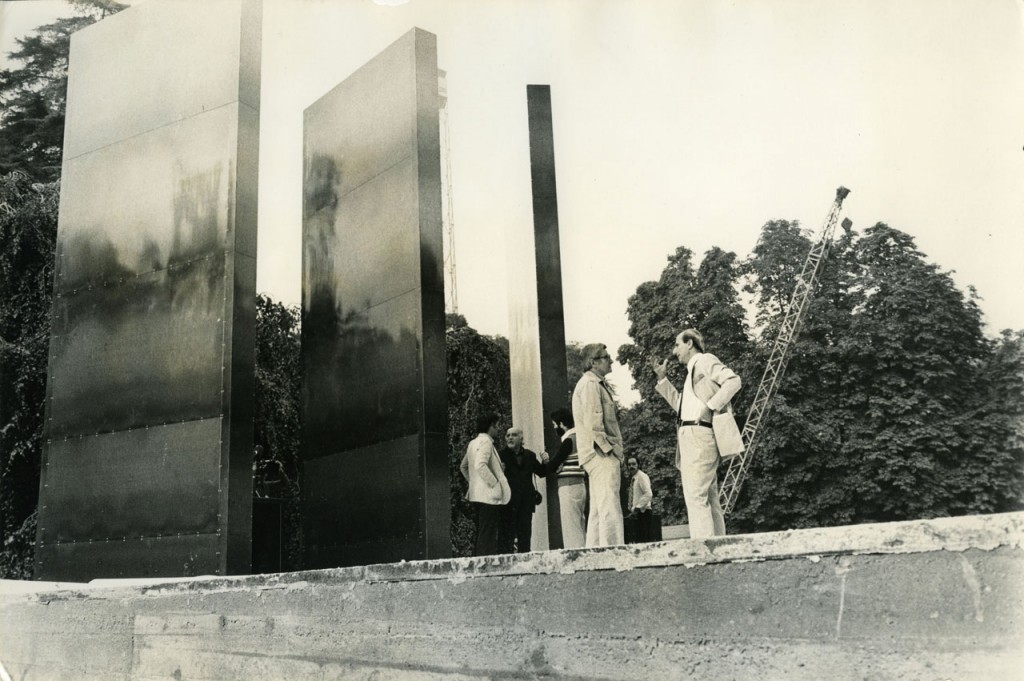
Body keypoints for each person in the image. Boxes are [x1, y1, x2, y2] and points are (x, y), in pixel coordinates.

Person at [651, 328, 741, 538]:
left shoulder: (704, 361)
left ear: (689, 343)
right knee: (709, 498)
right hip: (692, 435)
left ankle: (703, 551)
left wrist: (710, 406)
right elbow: (681, 407)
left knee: (695, 495)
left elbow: (734, 381)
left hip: (699, 435)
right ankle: (717, 548)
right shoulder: (691, 372)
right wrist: (662, 380)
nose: (674, 352)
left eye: (677, 345)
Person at [571, 342, 625, 547]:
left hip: (594, 454)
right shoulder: (591, 384)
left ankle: (595, 552)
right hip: (600, 454)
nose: (610, 360)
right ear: (593, 362)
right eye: (605, 357)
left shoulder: (591, 383)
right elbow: (595, 425)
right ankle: (613, 551)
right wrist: (611, 451)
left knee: (598, 508)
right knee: (609, 505)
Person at [498, 426, 561, 553]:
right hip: (507, 503)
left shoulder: (530, 455)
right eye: (507, 435)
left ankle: (525, 566)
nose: (510, 437)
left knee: (525, 537)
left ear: (521, 438)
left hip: (526, 503)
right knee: (506, 538)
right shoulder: (501, 456)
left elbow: (541, 472)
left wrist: (545, 462)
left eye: (514, 435)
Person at [460, 412, 511, 556]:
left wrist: (474, 483)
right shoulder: (486, 443)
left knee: (483, 531)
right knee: (488, 532)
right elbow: (480, 465)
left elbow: (463, 466)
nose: (498, 429)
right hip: (488, 496)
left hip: (476, 495)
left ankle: (481, 561)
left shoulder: (472, 443)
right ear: (491, 426)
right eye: (497, 426)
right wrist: (494, 483)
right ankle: (485, 562)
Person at [550, 407, 587, 549]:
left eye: (555, 425)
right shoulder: (580, 437)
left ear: (561, 424)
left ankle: (575, 556)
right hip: (580, 484)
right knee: (579, 522)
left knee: (570, 526)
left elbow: (553, 465)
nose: (554, 428)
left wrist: (547, 465)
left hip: (568, 486)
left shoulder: (568, 441)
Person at [625, 456, 653, 543]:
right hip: (636, 514)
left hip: (643, 513)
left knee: (644, 541)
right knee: (637, 541)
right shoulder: (634, 478)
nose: (631, 466)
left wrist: (637, 507)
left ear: (638, 465)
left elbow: (649, 494)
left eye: (634, 464)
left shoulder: (641, 476)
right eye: (629, 465)